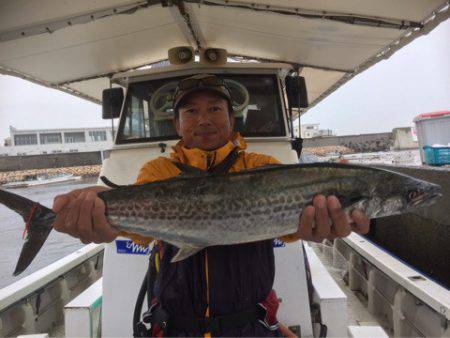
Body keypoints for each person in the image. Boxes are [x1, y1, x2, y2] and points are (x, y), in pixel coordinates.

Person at [53, 74, 370, 337]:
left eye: (215, 109)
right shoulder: (160, 171)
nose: (204, 119)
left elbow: (287, 229)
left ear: (232, 120)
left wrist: (316, 227)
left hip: (249, 326)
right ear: (177, 125)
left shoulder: (262, 167)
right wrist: (106, 223)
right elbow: (141, 232)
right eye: (190, 112)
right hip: (176, 328)